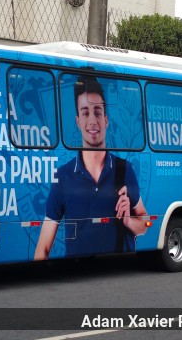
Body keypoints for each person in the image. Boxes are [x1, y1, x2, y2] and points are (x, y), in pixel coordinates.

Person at [34, 76, 148, 260]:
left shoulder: (124, 169)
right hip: (78, 278)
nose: (93, 121)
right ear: (78, 121)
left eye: (98, 112)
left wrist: (128, 220)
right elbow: (43, 249)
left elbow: (145, 222)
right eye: (86, 113)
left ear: (106, 120)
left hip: (120, 275)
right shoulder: (63, 176)